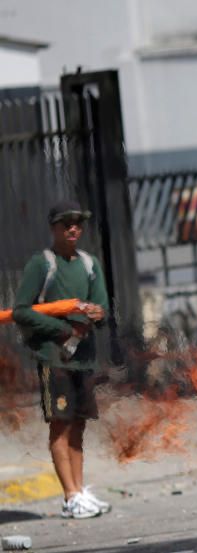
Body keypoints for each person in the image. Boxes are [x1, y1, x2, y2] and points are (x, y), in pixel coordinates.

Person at [13, 200, 111, 519]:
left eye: (77, 224)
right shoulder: (42, 264)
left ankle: (81, 491)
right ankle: (69, 495)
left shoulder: (89, 263)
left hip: (83, 358)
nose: (73, 229)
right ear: (53, 228)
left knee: (79, 425)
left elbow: (100, 306)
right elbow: (21, 312)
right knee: (61, 425)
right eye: (66, 223)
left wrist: (96, 315)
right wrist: (62, 328)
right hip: (54, 358)